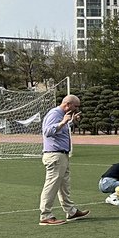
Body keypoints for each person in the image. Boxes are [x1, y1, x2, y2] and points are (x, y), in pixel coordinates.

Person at [38, 94, 89, 226]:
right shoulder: (55, 114)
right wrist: (63, 122)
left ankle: (71, 211)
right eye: (75, 106)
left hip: (62, 155)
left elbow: (61, 130)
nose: (77, 109)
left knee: (64, 185)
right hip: (55, 155)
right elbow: (47, 131)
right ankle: (45, 215)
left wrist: (71, 121)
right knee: (51, 185)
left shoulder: (63, 115)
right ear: (68, 104)